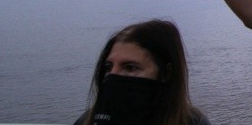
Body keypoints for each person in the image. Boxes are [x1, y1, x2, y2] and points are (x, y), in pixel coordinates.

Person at [75, 19, 210, 125]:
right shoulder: (87, 121)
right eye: (108, 67)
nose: (112, 76)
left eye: (130, 68)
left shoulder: (193, 122)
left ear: (166, 73)